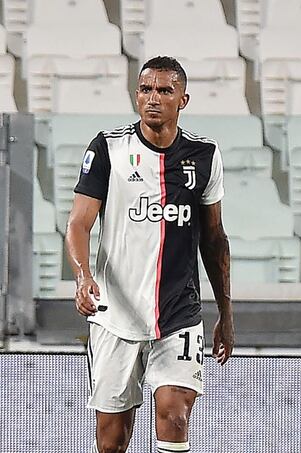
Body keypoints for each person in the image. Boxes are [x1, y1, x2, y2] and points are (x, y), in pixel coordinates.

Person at [65, 56, 234, 453]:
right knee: (112, 440)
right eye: (145, 90)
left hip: (178, 314)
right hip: (115, 317)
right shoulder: (108, 148)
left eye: (164, 90)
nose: (152, 98)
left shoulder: (205, 155)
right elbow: (78, 223)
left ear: (183, 99)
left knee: (175, 415)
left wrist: (226, 312)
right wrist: (82, 275)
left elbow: (214, 239)